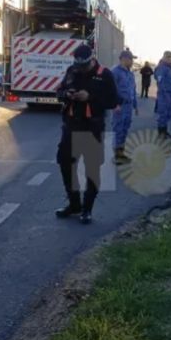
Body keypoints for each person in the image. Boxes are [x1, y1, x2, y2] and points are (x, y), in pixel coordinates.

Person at [55, 44, 118, 224]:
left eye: (84, 66)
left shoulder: (104, 75)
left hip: (92, 127)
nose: (80, 69)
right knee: (65, 163)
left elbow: (113, 101)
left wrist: (89, 97)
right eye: (78, 65)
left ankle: (87, 209)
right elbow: (58, 92)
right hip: (71, 126)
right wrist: (67, 94)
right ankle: (74, 204)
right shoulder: (72, 71)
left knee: (92, 168)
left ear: (92, 59)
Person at [111, 50, 138, 165]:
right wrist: (115, 104)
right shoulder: (115, 72)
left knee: (125, 129)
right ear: (124, 59)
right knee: (118, 129)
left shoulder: (129, 73)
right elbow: (111, 90)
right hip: (120, 106)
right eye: (131, 59)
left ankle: (121, 153)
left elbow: (133, 90)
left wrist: (135, 105)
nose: (132, 62)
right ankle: (117, 155)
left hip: (128, 106)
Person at [154, 51, 171, 138]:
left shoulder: (169, 68)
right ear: (163, 57)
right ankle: (161, 133)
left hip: (170, 95)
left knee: (168, 114)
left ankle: (165, 131)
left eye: (170, 57)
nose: (169, 58)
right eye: (167, 57)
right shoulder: (162, 68)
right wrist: (165, 94)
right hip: (164, 95)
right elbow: (160, 82)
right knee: (163, 114)